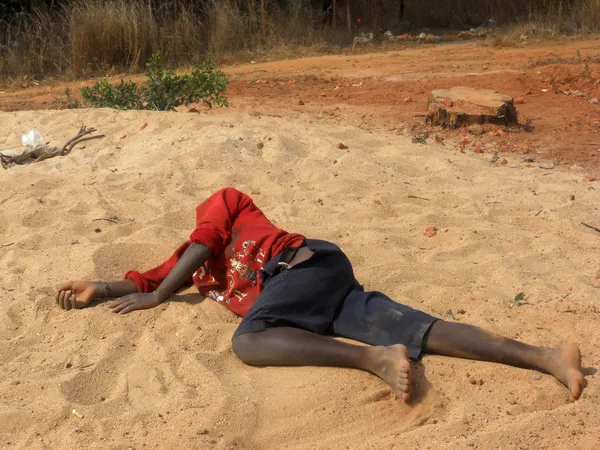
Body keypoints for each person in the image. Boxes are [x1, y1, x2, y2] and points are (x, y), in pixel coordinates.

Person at [55, 188, 586, 402]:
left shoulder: (224, 204)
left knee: (250, 341)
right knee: (421, 329)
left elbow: (195, 249)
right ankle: (547, 356)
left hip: (303, 269)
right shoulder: (194, 269)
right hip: (316, 303)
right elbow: (154, 277)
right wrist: (101, 288)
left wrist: (156, 298)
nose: (195, 255)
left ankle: (373, 360)